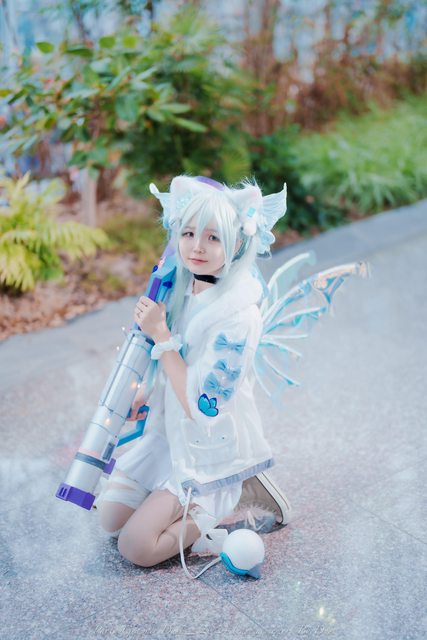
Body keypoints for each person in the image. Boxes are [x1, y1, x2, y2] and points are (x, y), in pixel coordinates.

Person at [96, 175, 291, 570]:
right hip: (169, 436)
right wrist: (144, 392)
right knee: (109, 519)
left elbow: (203, 408)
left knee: (136, 547)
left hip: (208, 445)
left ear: (237, 243)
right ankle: (169, 503)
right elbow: (169, 363)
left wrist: (161, 334)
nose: (197, 246)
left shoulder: (240, 317)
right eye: (188, 233)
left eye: (213, 237)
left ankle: (228, 496)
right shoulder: (184, 289)